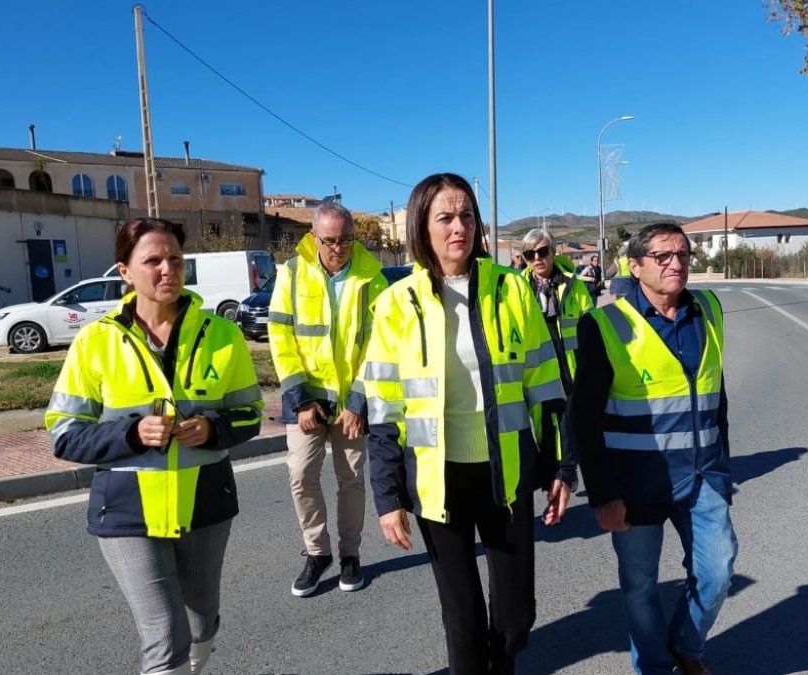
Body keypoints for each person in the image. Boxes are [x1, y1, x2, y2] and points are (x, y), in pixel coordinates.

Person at [361, 173, 575, 675]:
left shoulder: (511, 290)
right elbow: (383, 409)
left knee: (516, 618)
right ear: (422, 226)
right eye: (445, 217)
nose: (458, 227)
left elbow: (546, 387)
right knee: (462, 620)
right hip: (439, 480)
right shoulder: (396, 304)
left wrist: (562, 467)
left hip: (506, 474)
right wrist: (388, 497)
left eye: (467, 216)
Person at [45, 218, 264, 675]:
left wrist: (211, 429)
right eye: (153, 261)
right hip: (127, 509)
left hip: (205, 501)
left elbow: (250, 415)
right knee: (164, 633)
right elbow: (64, 433)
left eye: (176, 259)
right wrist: (130, 434)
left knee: (201, 622)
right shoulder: (96, 341)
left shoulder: (222, 334)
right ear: (124, 271)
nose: (168, 269)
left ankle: (196, 661)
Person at [568, 222, 737, 675]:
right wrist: (602, 495)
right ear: (636, 266)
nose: (675, 263)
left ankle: (686, 645)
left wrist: (723, 463)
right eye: (662, 256)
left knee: (718, 570)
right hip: (634, 484)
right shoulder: (605, 325)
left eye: (682, 254)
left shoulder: (709, 309)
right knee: (640, 585)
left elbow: (715, 393)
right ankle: (655, 668)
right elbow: (583, 417)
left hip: (702, 476)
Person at [270, 201, 388, 597]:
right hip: (305, 399)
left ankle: (350, 555)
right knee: (301, 474)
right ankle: (317, 553)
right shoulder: (291, 273)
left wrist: (358, 403)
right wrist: (300, 400)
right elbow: (280, 338)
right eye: (330, 241)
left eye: (346, 240)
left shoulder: (372, 278)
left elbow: (379, 346)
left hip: (352, 401)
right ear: (313, 237)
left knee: (351, 479)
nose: (339, 248)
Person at [520, 227, 594, 400]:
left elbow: (591, 325)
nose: (537, 258)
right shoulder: (518, 287)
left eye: (542, 252)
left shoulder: (573, 284)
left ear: (553, 252)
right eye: (530, 254)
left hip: (572, 368)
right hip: (536, 371)